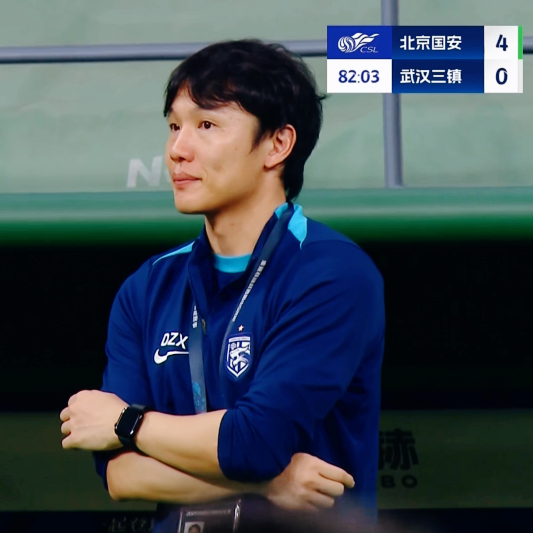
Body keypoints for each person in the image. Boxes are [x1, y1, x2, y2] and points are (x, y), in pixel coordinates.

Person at [59, 39, 385, 531]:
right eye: (174, 126)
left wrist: (127, 423)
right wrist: (267, 484)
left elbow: (256, 441)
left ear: (277, 145)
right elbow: (123, 475)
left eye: (206, 126)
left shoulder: (331, 273)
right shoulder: (147, 287)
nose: (177, 150)